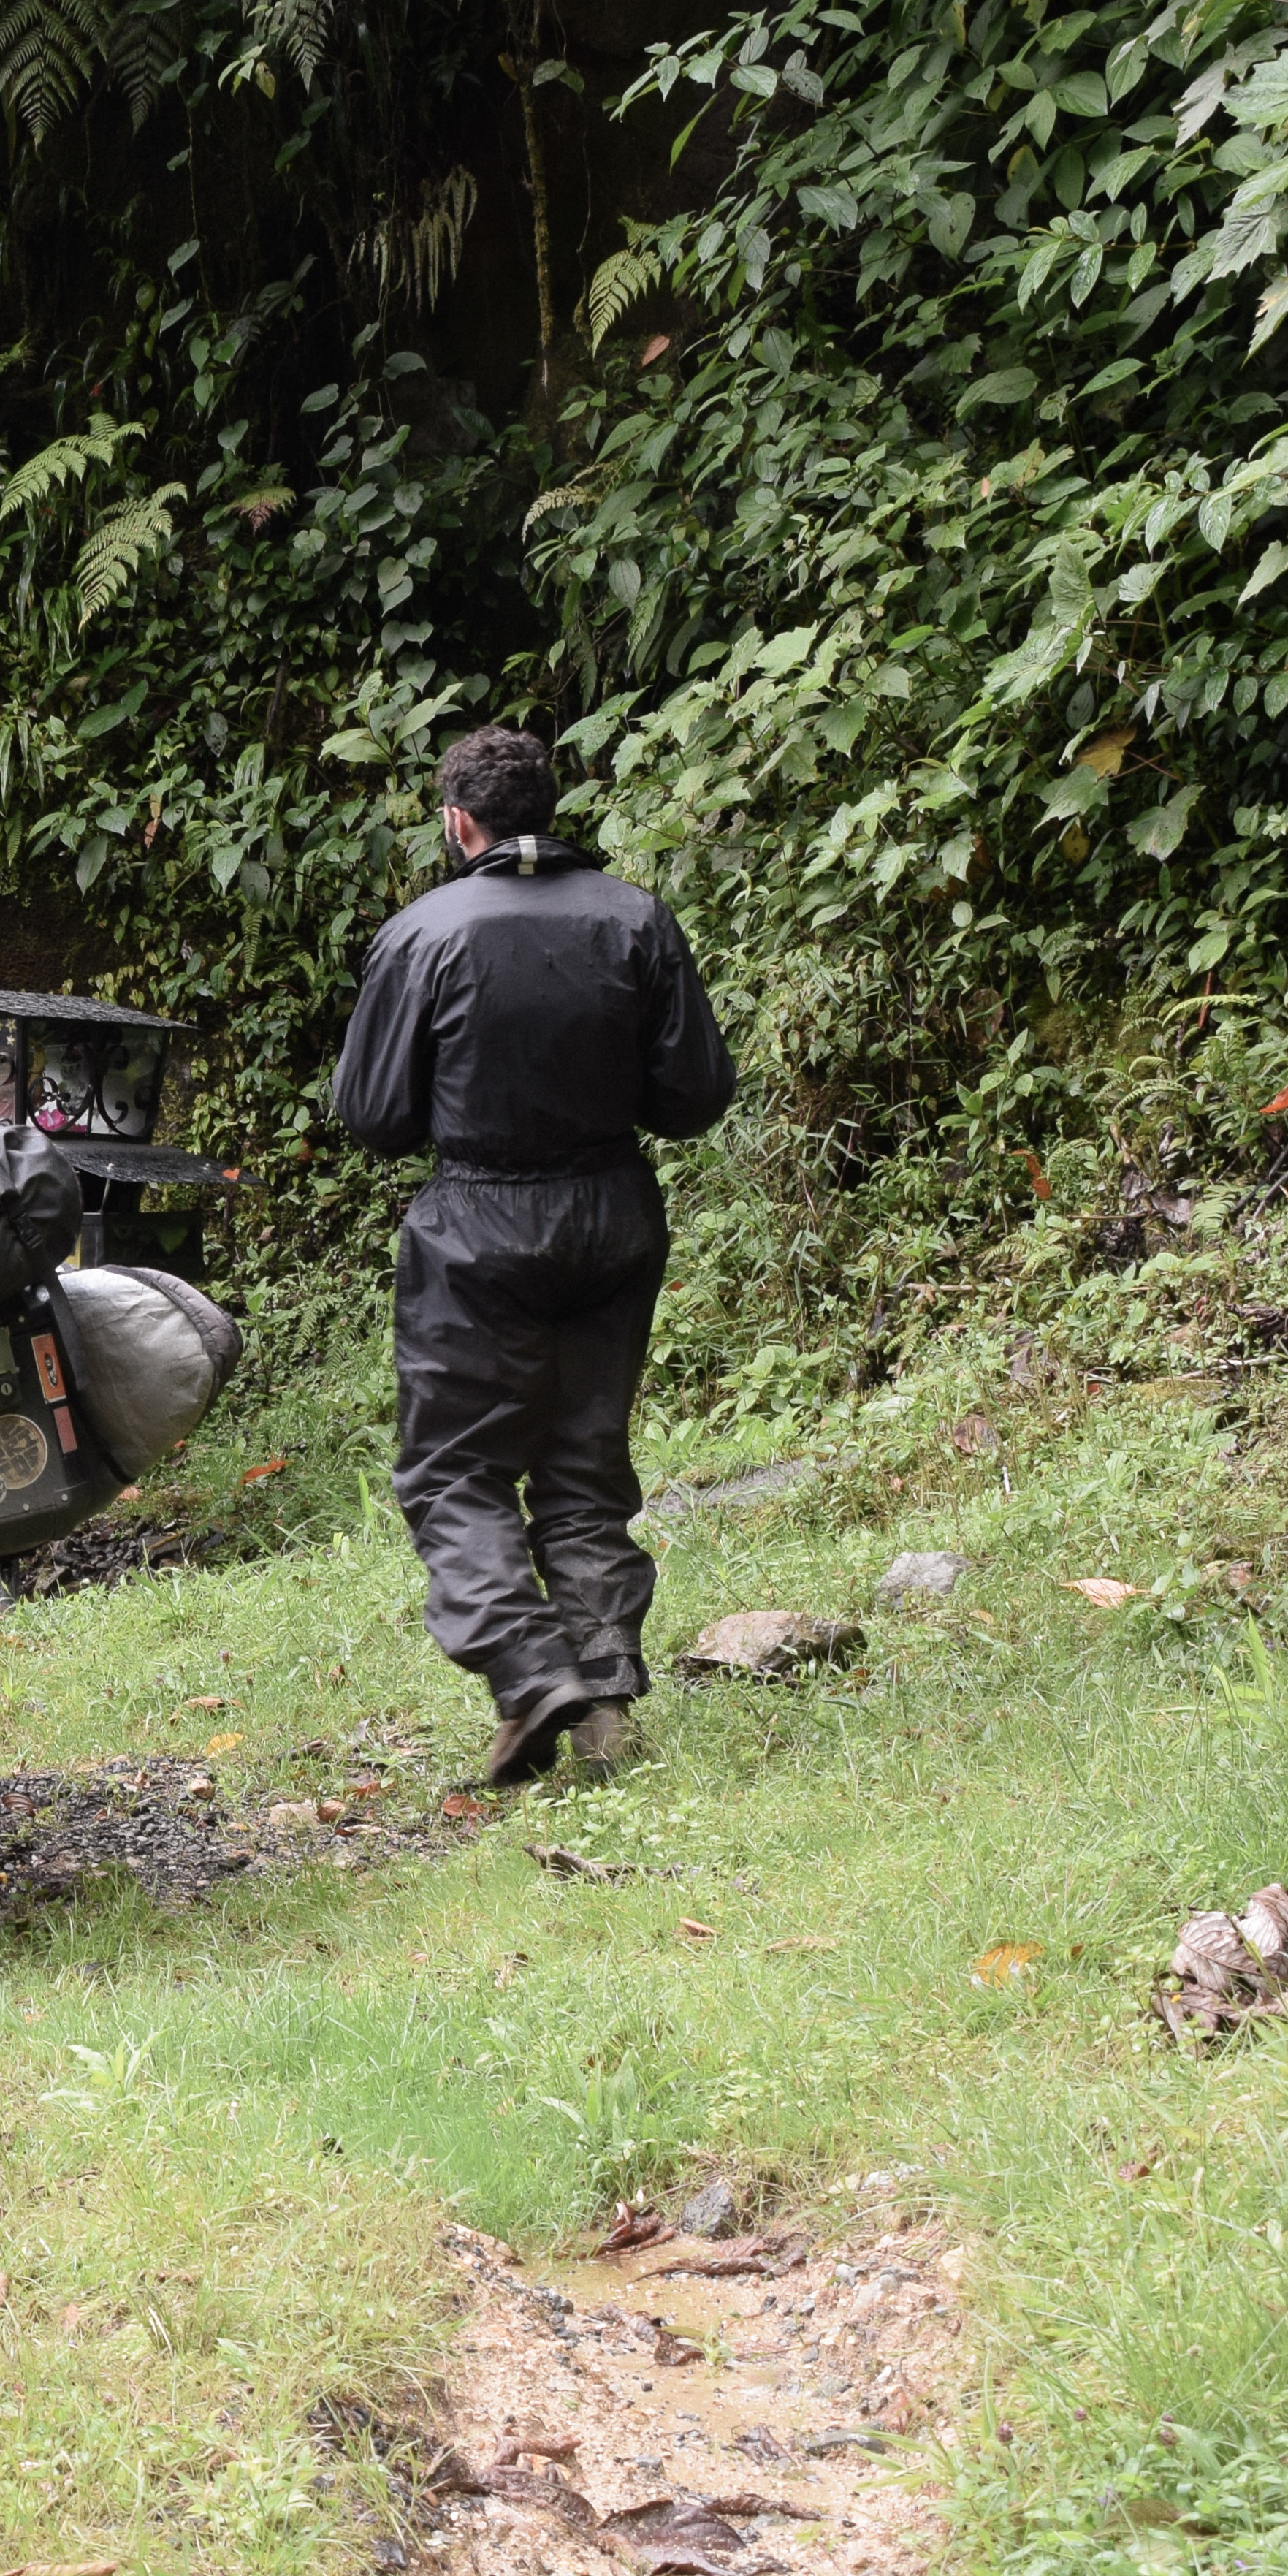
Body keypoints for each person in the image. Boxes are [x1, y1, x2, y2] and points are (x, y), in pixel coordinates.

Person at [331, 725, 735, 1785]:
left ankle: (527, 1667)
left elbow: (372, 1115)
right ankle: (600, 1699)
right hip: (611, 1211)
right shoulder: (634, 917)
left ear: (457, 821)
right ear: (546, 812)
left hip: (477, 1229)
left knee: (453, 1470)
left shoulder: (421, 934)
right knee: (582, 1465)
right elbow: (692, 1098)